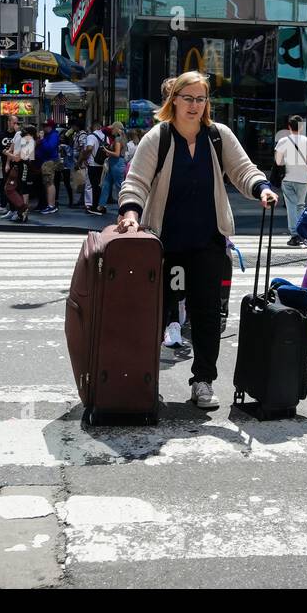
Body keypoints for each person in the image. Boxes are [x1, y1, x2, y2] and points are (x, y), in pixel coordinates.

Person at [116, 71, 278, 409]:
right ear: (173, 99)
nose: (194, 105)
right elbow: (136, 182)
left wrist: (262, 189)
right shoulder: (157, 137)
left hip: (207, 241)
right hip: (163, 243)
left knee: (206, 316)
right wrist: (131, 214)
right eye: (187, 98)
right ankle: (144, 378)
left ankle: (203, 381)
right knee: (153, 314)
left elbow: (243, 170)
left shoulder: (218, 136)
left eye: (200, 99)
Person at [274, 114, 307, 246]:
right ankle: (301, 233)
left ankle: (294, 235)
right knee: (300, 206)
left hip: (287, 178)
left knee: (291, 207)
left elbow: (278, 162)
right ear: (302, 127)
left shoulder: (283, 141)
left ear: (289, 127)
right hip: (303, 178)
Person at [4, 124, 36, 223]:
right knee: (12, 188)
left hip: (24, 165)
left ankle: (22, 212)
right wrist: (8, 162)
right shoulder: (18, 134)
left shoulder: (30, 141)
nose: (22, 132)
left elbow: (18, 158)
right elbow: (12, 149)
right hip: (16, 165)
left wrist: (6, 153)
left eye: (25, 132)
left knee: (23, 188)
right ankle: (21, 209)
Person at [36, 118, 62, 215]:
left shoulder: (54, 135)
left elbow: (49, 148)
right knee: (47, 183)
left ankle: (51, 205)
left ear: (50, 127)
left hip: (49, 161)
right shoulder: (48, 135)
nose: (44, 128)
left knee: (49, 183)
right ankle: (49, 204)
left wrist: (42, 139)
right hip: (45, 161)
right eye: (43, 126)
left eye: (46, 126)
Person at [83, 123, 109, 215]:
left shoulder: (91, 136)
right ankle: (101, 206)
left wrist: (85, 158)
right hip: (102, 165)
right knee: (100, 185)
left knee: (93, 185)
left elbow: (89, 148)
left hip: (93, 164)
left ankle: (93, 207)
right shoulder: (106, 137)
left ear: (92, 127)